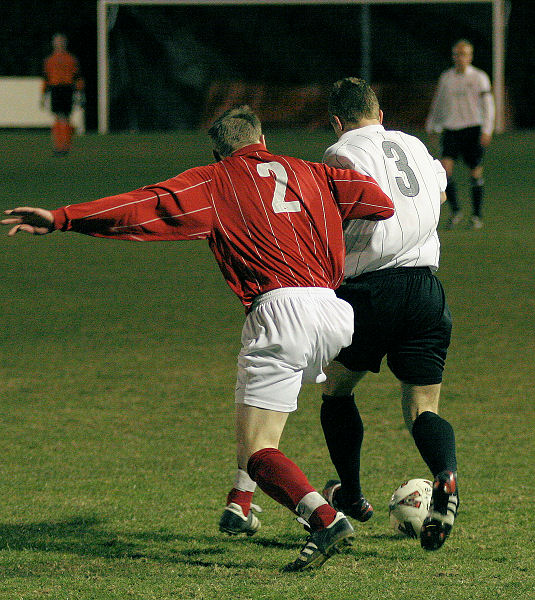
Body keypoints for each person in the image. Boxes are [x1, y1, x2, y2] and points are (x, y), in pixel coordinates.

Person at [1, 105, 394, 571]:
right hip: (333, 311)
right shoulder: (312, 171)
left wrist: (63, 217)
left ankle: (325, 519)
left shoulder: (214, 181)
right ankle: (243, 501)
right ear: (262, 137)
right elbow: (380, 203)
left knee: (258, 452)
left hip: (281, 309)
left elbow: (145, 206)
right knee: (262, 427)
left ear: (218, 151)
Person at [317, 77, 459, 552]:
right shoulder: (413, 145)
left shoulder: (339, 154)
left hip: (369, 292)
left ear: (338, 122)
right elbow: (438, 194)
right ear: (380, 114)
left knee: (336, 392)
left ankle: (352, 497)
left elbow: (333, 216)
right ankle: (446, 475)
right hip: (426, 290)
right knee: (422, 407)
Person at [426, 39, 495, 229]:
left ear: (470, 56)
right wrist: (433, 125)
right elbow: (438, 103)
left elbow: (488, 105)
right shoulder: (446, 78)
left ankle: (476, 215)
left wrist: (487, 129)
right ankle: (456, 211)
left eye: (464, 54)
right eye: (457, 54)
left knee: (475, 172)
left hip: (473, 129)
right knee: (445, 171)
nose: (460, 58)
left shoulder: (479, 77)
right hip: (451, 130)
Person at [41, 33, 85, 155]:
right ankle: (59, 145)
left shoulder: (71, 59)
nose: (59, 44)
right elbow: (46, 78)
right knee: (59, 117)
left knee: (64, 117)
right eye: (57, 41)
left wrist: (80, 93)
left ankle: (64, 146)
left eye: (61, 41)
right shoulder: (49, 60)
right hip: (56, 89)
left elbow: (77, 77)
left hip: (66, 89)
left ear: (65, 43)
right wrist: (43, 95)